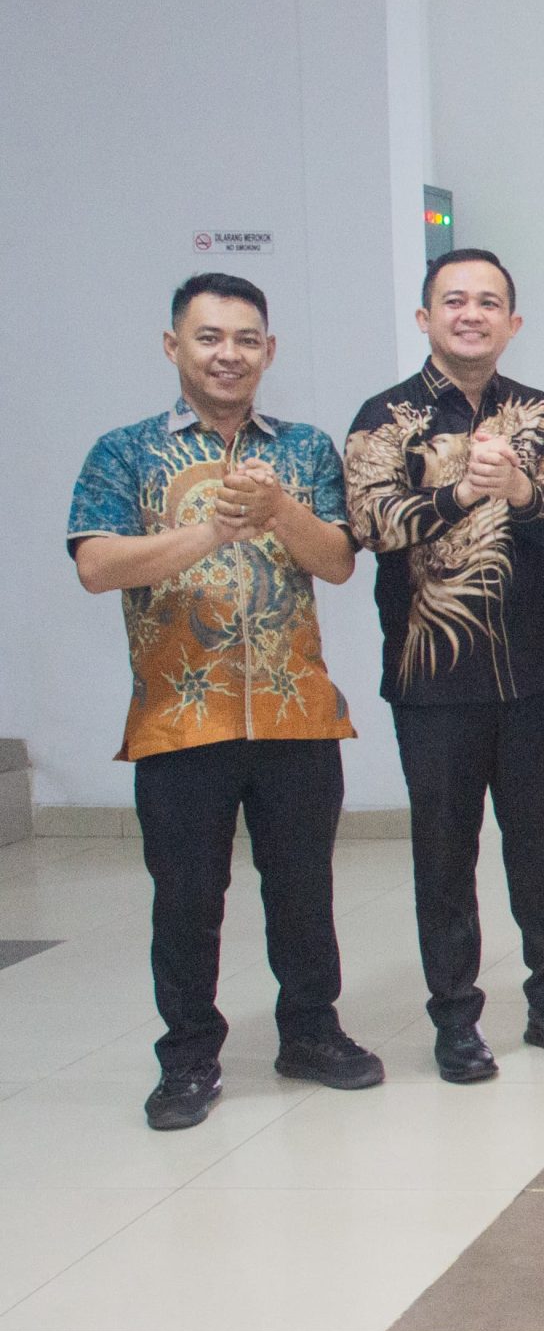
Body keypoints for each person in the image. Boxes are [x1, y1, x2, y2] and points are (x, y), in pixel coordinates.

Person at [67, 273, 383, 1130]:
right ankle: (187, 1058)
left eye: (246, 339)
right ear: (174, 346)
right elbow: (96, 565)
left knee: (304, 890)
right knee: (186, 899)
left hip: (296, 712)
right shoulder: (124, 452)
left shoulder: (305, 450)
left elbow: (337, 561)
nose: (228, 355)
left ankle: (311, 1032)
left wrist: (278, 510)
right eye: (209, 338)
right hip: (179, 717)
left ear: (269, 351)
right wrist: (211, 530)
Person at [344, 248, 544, 1083]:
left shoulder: (543, 413)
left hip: (529, 669)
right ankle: (455, 1019)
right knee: (444, 855)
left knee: (541, 849)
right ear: (426, 317)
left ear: (512, 322)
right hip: (432, 677)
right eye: (454, 301)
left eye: (489, 302)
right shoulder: (385, 418)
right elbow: (370, 524)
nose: (471, 314)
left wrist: (519, 489)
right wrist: (459, 493)